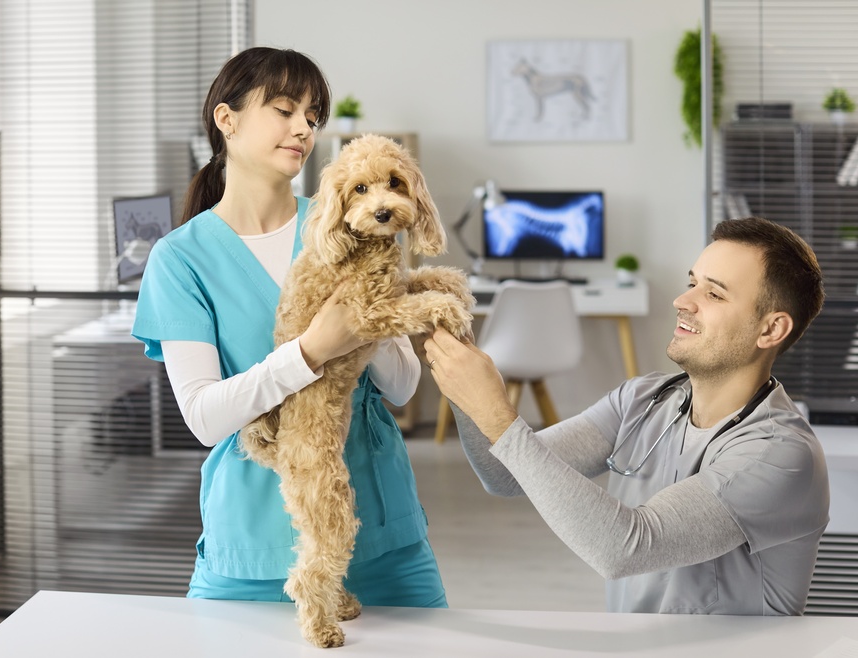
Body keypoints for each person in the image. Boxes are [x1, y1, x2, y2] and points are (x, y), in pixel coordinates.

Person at [131, 47, 446, 607]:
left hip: (383, 534)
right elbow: (205, 418)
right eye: (284, 108)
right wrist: (312, 350)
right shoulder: (181, 258)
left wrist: (372, 320)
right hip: (253, 545)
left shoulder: (346, 216)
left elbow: (400, 387)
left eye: (312, 115)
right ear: (227, 120)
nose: (304, 126)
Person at [424, 216, 829, 615]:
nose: (682, 301)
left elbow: (625, 548)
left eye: (715, 294)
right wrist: (458, 367)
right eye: (692, 283)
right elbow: (504, 474)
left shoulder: (780, 455)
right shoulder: (641, 400)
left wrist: (495, 413)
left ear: (771, 330)